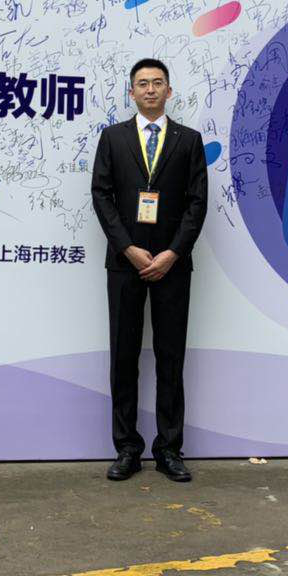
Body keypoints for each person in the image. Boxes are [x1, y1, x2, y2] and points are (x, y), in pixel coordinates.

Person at [91, 59, 208, 483]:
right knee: (123, 357)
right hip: (125, 265)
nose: (151, 89)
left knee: (170, 358)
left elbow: (198, 202)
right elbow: (101, 195)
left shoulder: (188, 140)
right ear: (132, 92)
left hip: (172, 266)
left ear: (169, 91)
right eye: (143, 84)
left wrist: (172, 253)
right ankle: (127, 449)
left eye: (158, 83)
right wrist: (127, 248)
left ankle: (169, 449)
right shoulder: (113, 138)